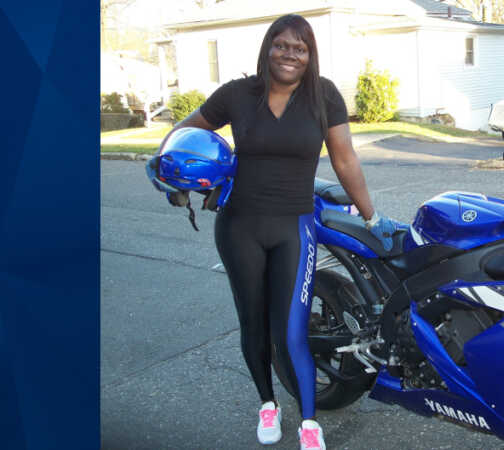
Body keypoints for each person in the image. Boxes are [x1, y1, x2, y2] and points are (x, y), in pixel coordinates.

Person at [155, 14, 396, 450]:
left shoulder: (323, 96)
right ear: (268, 47)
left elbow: (344, 160)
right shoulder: (237, 94)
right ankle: (267, 403)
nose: (290, 54)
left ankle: (308, 422)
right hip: (240, 226)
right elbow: (182, 133)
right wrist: (170, 174)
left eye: (299, 48)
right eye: (281, 45)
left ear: (310, 54)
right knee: (253, 323)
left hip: (295, 227)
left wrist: (370, 215)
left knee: (292, 331)